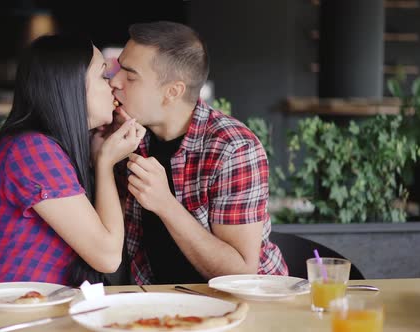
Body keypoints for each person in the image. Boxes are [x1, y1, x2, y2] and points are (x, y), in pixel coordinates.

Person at [0, 34, 145, 289]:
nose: (113, 86)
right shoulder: (32, 150)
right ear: (69, 86)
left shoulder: (48, 147)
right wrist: (105, 162)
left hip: (30, 310)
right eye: (103, 75)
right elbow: (107, 257)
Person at [108, 21, 288, 285]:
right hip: (158, 303)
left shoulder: (234, 148)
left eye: (130, 75)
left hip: (244, 305)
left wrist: (166, 204)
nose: (114, 81)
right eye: (117, 68)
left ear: (172, 92)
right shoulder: (130, 135)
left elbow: (241, 275)